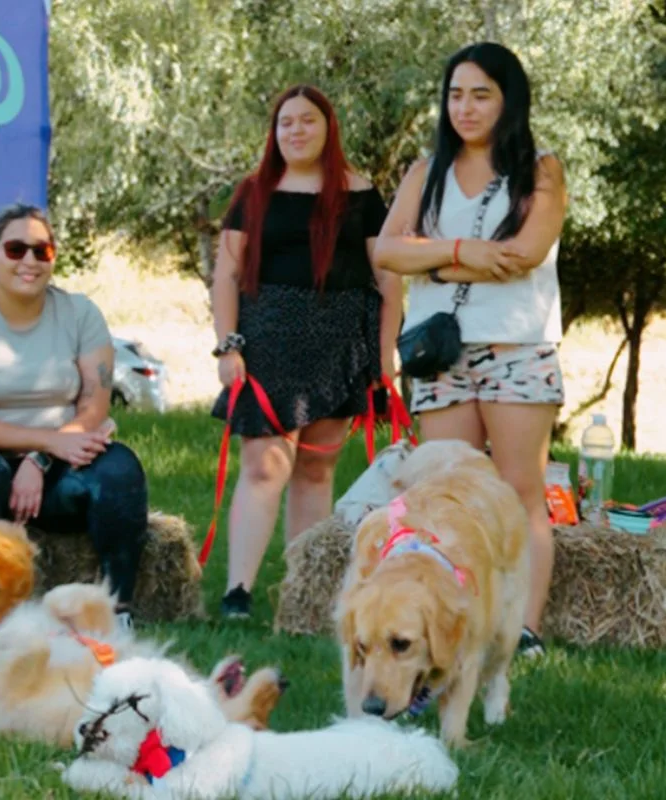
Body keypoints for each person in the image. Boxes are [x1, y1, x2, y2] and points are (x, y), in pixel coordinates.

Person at [373, 42, 568, 659]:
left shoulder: (541, 169)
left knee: (518, 491)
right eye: (456, 94)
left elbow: (526, 252)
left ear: (509, 99)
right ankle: (454, 620)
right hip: (441, 355)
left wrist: (427, 251)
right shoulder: (424, 170)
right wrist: (464, 253)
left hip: (517, 349)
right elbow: (384, 252)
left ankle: (525, 629)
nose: (466, 106)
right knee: (446, 491)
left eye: (481, 93)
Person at [210, 85, 403, 619]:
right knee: (263, 466)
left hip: (340, 346)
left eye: (307, 121)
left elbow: (387, 278)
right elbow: (226, 274)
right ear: (274, 133)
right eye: (285, 122)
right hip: (267, 343)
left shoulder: (362, 193)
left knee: (317, 472)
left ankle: (304, 593)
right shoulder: (253, 192)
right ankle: (238, 595)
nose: (295, 131)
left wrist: (384, 356)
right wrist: (227, 346)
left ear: (328, 128)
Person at [0, 203, 148, 629]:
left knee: (120, 470)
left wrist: (40, 461)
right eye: (16, 249)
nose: (29, 261)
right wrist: (46, 443)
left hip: (57, 469)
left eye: (41, 251)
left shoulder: (81, 314)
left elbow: (94, 409)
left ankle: (116, 614)